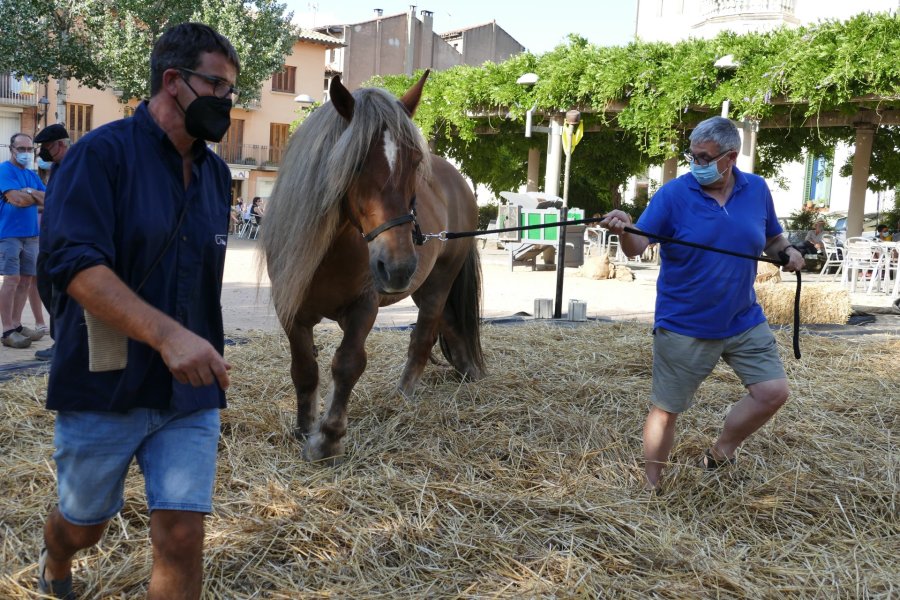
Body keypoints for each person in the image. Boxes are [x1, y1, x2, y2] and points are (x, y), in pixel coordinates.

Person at [37, 22, 238, 599]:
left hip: (188, 389)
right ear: (173, 81)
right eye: (218, 86)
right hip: (104, 383)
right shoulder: (99, 156)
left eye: (232, 91)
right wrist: (169, 336)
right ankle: (56, 555)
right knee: (85, 526)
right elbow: (73, 266)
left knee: (181, 535)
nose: (228, 102)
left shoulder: (217, 175)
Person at [601, 116, 805, 492]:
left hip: (743, 319)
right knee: (667, 410)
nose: (696, 163)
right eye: (692, 155)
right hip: (685, 323)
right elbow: (638, 247)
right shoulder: (674, 195)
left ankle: (721, 451)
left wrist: (788, 251)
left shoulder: (757, 189)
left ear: (730, 157)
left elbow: (772, 238)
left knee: (773, 393)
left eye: (704, 156)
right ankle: (651, 486)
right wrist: (625, 229)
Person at [0, 133, 46, 349]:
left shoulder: (31, 174)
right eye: (22, 149)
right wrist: (32, 196)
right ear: (12, 149)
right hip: (9, 234)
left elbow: (49, 199)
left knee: (26, 280)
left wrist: (28, 191)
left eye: (30, 149)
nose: (27, 153)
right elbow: (16, 200)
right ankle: (7, 330)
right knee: (11, 280)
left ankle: (17, 325)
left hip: (31, 235)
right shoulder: (4, 170)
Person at [32, 124, 72, 361]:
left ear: (60, 144)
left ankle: (64, 344)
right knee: (46, 287)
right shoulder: (57, 167)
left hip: (63, 239)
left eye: (47, 148)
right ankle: (63, 341)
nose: (43, 153)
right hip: (49, 239)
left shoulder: (75, 166)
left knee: (60, 293)